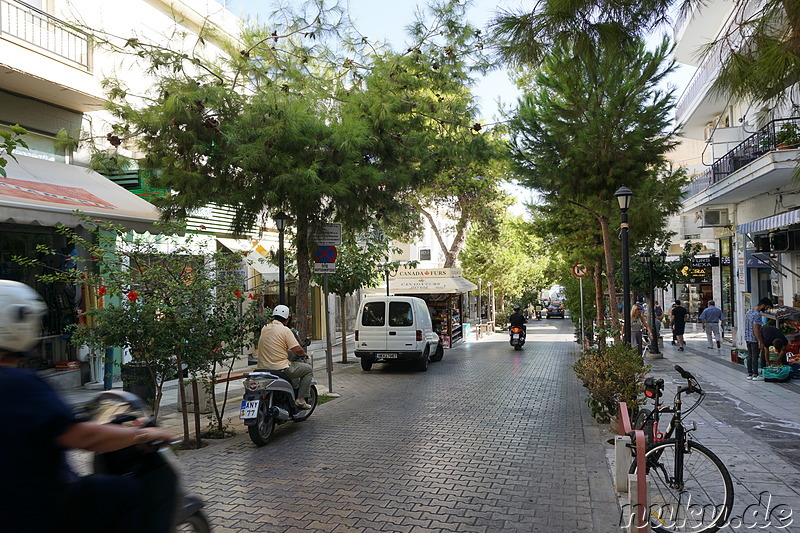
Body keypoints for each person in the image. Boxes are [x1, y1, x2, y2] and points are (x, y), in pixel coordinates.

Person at [0, 280, 173, 533]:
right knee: (126, 492)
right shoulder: (20, 384)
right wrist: (142, 434)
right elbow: (84, 437)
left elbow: (46, 422)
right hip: (42, 511)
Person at [257, 304, 313, 409]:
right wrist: (304, 354)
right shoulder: (285, 330)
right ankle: (301, 399)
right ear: (287, 320)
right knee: (308, 369)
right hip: (280, 368)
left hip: (263, 368)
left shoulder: (265, 328)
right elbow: (297, 349)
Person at [744, 298, 772, 380]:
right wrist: (760, 340)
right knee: (755, 357)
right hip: (754, 339)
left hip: (748, 337)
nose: (766, 310)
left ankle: (749, 373)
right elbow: (756, 329)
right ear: (762, 305)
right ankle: (755, 374)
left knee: (750, 355)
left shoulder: (749, 312)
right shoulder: (757, 315)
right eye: (766, 308)